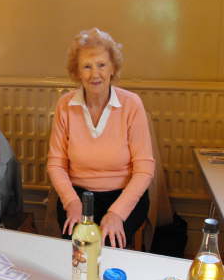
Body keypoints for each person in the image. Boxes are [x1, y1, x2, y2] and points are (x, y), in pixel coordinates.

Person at [47, 28, 155, 248]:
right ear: (77, 72)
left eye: (101, 65)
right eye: (87, 66)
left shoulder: (132, 104)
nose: (94, 74)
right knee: (78, 250)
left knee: (109, 246)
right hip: (77, 196)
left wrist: (117, 213)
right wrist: (71, 202)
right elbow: (56, 163)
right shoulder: (65, 105)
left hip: (123, 196)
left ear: (113, 68)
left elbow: (144, 170)